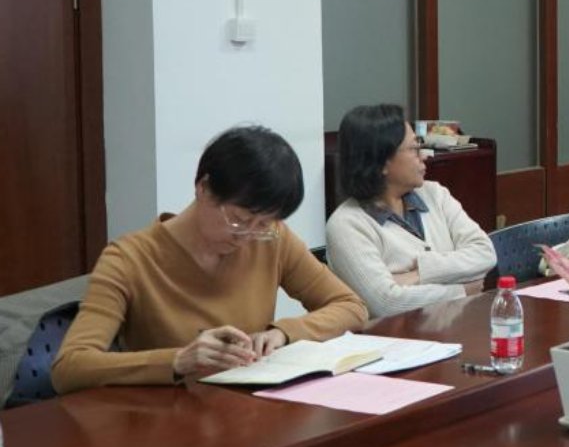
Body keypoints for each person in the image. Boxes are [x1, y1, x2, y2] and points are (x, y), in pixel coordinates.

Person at [52, 126, 367, 393]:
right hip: (167, 421)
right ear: (203, 188)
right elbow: (69, 366)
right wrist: (178, 360)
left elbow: (350, 307)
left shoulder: (272, 240)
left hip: (252, 410)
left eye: (263, 224)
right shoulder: (129, 259)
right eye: (239, 219)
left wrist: (284, 333)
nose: (247, 236)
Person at [325, 103, 494, 317]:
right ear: (381, 163)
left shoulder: (435, 194)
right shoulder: (347, 225)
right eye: (414, 148)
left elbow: (485, 253)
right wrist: (462, 290)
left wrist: (419, 273)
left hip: (456, 328)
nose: (425, 155)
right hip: (392, 337)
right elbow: (387, 304)